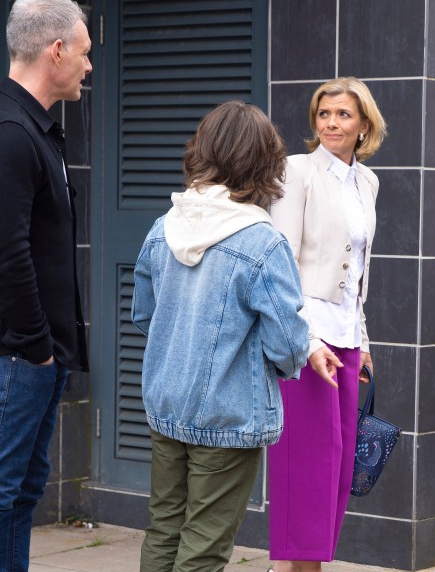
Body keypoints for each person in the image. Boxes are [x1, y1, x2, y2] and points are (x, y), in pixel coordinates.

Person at [0, 0, 92, 572]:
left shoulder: (31, 128)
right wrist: (35, 349)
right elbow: (6, 257)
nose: (87, 66)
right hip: (13, 357)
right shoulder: (9, 133)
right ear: (55, 50)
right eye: (83, 53)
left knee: (18, 495)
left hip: (31, 355)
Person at [133, 100, 311, 572]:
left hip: (166, 404)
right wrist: (285, 367)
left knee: (164, 529)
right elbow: (288, 343)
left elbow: (145, 316)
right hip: (228, 416)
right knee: (205, 547)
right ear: (264, 163)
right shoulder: (261, 240)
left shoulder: (164, 226)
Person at [267, 77, 387, 572]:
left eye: (343, 114)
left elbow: (357, 269)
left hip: (347, 338)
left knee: (338, 466)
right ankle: (295, 568)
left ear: (364, 125)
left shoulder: (368, 181)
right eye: (324, 114)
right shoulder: (296, 171)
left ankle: (306, 566)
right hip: (308, 340)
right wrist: (308, 338)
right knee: (306, 464)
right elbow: (282, 261)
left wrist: (363, 337)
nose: (331, 123)